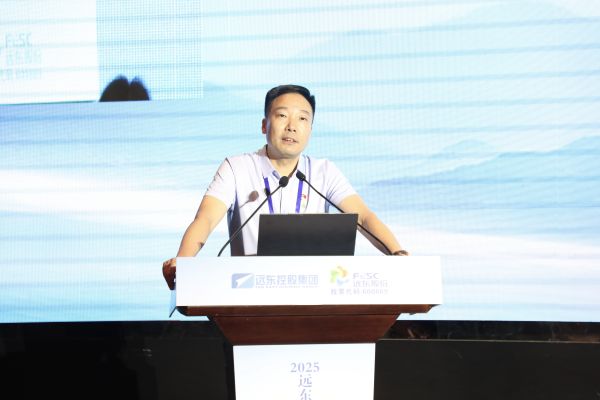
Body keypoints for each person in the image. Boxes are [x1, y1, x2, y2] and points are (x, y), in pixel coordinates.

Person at [162, 84, 408, 289]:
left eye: (302, 118)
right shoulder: (237, 168)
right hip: (251, 290)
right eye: (282, 116)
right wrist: (183, 263)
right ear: (264, 125)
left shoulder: (324, 172)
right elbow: (205, 219)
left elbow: (363, 218)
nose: (292, 126)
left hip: (315, 291)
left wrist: (398, 254)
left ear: (310, 129)